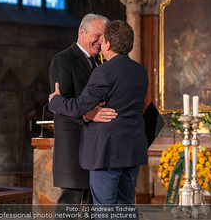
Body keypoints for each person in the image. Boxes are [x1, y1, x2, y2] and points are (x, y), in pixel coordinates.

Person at [49, 20, 149, 210]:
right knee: (126, 207)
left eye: (102, 39)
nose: (100, 42)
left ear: (108, 44)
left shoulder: (104, 71)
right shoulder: (141, 71)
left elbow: (79, 106)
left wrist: (55, 100)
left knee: (105, 209)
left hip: (106, 153)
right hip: (131, 150)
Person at [49, 13, 117, 216]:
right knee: (71, 202)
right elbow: (60, 103)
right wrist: (89, 114)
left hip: (94, 147)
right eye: (97, 35)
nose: (100, 41)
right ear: (82, 32)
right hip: (73, 146)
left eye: (104, 38)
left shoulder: (98, 63)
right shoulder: (62, 60)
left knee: (88, 204)